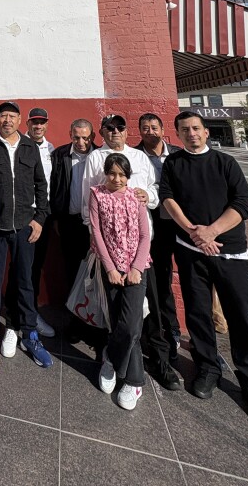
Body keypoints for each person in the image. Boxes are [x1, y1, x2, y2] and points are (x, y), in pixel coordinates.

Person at [160, 111, 248, 426]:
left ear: (205, 132)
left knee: (239, 315)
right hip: (190, 249)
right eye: (185, 130)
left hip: (230, 250)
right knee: (198, 313)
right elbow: (168, 200)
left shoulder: (225, 163)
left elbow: (242, 203)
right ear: (178, 134)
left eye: (196, 128)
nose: (191, 134)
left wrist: (211, 232)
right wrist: (194, 233)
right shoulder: (173, 164)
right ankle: (208, 367)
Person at [81, 114, 179, 389]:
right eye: (109, 128)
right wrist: (102, 253)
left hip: (140, 248)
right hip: (109, 251)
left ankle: (149, 356)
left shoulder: (139, 157)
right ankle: (127, 371)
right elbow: (89, 206)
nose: (115, 132)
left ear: (126, 131)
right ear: (102, 132)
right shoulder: (95, 161)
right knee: (116, 312)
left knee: (148, 307)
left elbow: (154, 190)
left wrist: (149, 197)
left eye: (120, 127)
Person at [0, 101, 52, 373]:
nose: (7, 120)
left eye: (12, 116)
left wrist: (40, 219)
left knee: (24, 282)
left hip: (24, 227)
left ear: (20, 120)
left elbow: (41, 185)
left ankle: (29, 334)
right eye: (3, 115)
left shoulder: (30, 146)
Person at [90, 153, 151, 411]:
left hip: (137, 268)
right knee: (117, 320)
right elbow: (96, 232)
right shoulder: (97, 194)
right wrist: (110, 268)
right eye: (112, 173)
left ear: (128, 176)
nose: (116, 179)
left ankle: (116, 364)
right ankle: (126, 371)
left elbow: (145, 235)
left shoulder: (135, 197)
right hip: (111, 268)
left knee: (130, 325)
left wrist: (136, 267)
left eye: (121, 174)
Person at [4, 108, 55, 338]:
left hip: (42, 217)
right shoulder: (19, 145)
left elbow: (47, 184)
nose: (38, 126)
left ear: (46, 125)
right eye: (34, 122)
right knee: (19, 268)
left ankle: (30, 314)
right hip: (22, 216)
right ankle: (16, 315)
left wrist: (43, 218)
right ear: (27, 123)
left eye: (42, 122)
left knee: (34, 268)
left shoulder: (52, 149)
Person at [136, 113, 183, 361]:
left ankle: (173, 327)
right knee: (158, 279)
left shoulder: (177, 154)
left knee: (181, 278)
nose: (150, 131)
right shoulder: (135, 156)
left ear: (163, 129)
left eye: (154, 127)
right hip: (153, 225)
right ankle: (158, 327)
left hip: (180, 224)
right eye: (145, 128)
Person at [49, 119, 97, 342]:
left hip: (95, 226)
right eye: (76, 137)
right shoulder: (60, 155)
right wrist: (57, 217)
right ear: (70, 134)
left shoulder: (100, 155)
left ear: (92, 136)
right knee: (72, 273)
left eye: (85, 137)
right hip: (69, 222)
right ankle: (75, 322)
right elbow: (56, 186)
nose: (80, 142)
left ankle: (95, 325)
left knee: (95, 275)